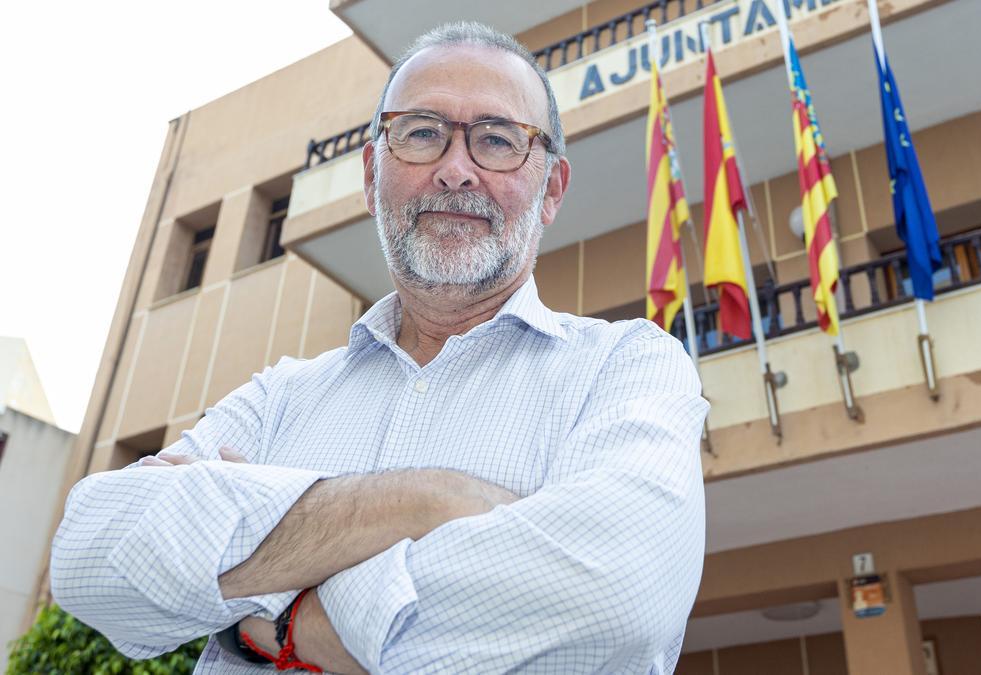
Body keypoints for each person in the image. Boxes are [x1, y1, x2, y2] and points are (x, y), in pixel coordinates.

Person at [51, 21, 708, 675]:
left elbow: (617, 593)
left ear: (551, 191)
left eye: (498, 140)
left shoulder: (628, 366)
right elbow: (88, 553)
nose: (456, 170)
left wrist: (278, 618)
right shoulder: (283, 395)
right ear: (372, 174)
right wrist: (427, 500)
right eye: (421, 133)